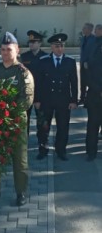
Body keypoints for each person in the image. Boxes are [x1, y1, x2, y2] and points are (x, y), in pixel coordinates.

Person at [0, 32, 34, 206]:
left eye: (9, 49)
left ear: (17, 50)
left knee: (19, 160)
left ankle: (21, 192)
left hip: (15, 124)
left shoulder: (23, 73)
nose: (5, 52)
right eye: (3, 49)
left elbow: (26, 100)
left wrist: (6, 113)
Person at [34, 33, 78, 161]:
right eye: (57, 46)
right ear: (51, 47)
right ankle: (43, 149)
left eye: (62, 46)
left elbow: (74, 82)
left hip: (63, 100)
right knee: (43, 127)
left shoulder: (70, 61)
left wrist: (74, 100)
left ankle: (61, 150)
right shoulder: (43, 61)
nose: (60, 49)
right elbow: (38, 82)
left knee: (63, 127)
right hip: (46, 100)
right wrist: (36, 100)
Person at [20, 30, 48, 135]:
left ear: (40, 43)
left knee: (41, 122)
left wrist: (40, 98)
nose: (31, 44)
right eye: (30, 42)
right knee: (24, 122)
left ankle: (42, 145)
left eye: (34, 42)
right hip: (27, 93)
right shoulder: (24, 57)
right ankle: (24, 145)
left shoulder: (46, 57)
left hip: (40, 94)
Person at [86, 41, 102, 161]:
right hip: (95, 98)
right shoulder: (94, 60)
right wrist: (99, 90)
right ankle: (91, 152)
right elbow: (88, 78)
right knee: (93, 126)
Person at [79, 23, 95, 106]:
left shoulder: (94, 39)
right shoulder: (83, 38)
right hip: (82, 64)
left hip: (90, 65)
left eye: (84, 28)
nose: (83, 29)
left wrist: (88, 62)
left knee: (90, 83)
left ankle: (88, 101)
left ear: (90, 29)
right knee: (83, 83)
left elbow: (93, 53)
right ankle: (82, 99)